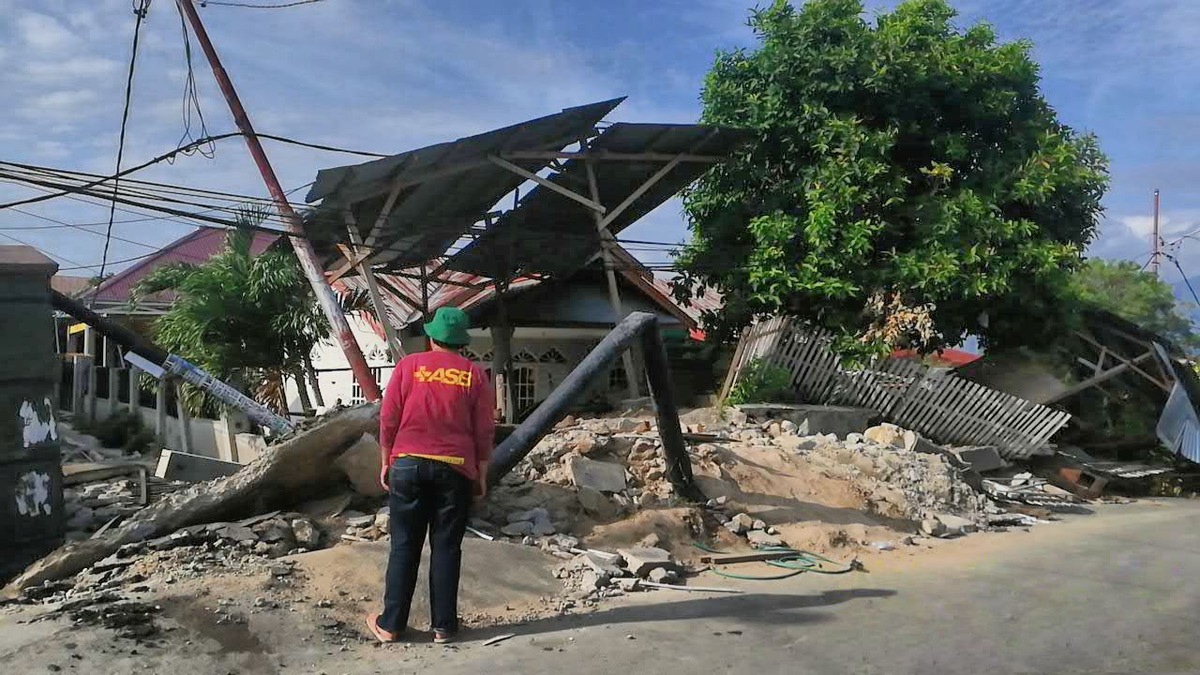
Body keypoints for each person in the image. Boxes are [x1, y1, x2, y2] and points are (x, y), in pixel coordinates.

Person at [366, 307, 495, 644]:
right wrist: (481, 474)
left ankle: (391, 625)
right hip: (454, 469)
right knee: (447, 548)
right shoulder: (473, 375)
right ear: (461, 341)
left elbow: (389, 418)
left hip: (407, 464)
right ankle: (444, 627)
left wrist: (385, 461)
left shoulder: (409, 366)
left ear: (432, 336)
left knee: (404, 547)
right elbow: (484, 430)